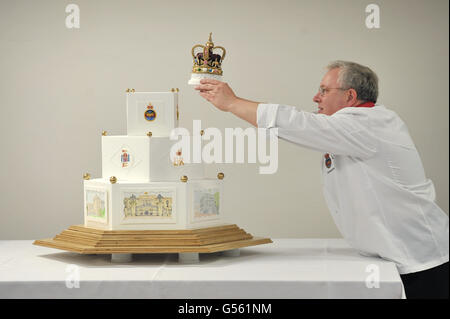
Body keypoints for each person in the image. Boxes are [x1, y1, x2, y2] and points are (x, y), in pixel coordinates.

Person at [195, 60, 449, 299]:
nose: (316, 97)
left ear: (349, 96)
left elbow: (299, 124)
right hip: (393, 257)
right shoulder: (351, 128)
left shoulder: (369, 124)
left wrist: (232, 103)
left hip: (423, 260)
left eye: (324, 90)